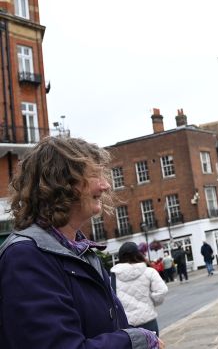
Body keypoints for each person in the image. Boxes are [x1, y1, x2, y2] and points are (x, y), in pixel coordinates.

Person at [0, 136, 164, 348]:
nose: (105, 185)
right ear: (61, 182)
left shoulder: (81, 251)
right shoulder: (25, 257)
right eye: (95, 175)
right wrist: (136, 340)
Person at [112, 241, 169, 336]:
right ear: (138, 254)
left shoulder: (113, 275)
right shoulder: (149, 272)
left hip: (126, 326)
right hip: (148, 321)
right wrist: (152, 302)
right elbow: (162, 291)